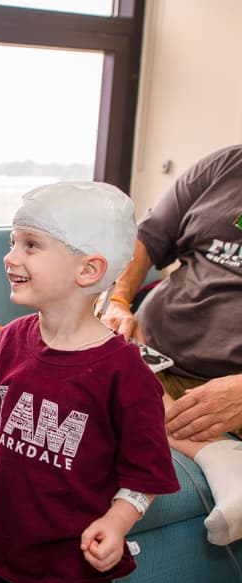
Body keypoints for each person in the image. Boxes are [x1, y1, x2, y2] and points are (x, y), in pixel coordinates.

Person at [0, 181, 180, 583]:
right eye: (12, 241)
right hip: (6, 549)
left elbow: (146, 475)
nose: (10, 256)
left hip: (74, 570)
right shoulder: (10, 339)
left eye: (31, 245)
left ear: (88, 270)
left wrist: (118, 521)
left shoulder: (125, 373)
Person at [98, 144, 242, 546]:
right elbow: (146, 239)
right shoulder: (225, 165)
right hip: (156, 355)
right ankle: (219, 455)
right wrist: (120, 301)